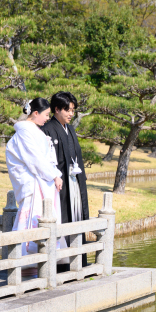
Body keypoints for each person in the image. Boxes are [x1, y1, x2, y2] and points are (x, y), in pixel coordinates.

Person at [5, 98, 63, 256]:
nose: (47, 118)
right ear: (35, 113)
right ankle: (25, 258)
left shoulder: (34, 131)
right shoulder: (25, 132)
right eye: (46, 114)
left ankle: (39, 257)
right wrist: (54, 175)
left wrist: (54, 174)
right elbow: (35, 159)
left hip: (40, 180)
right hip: (33, 183)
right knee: (31, 217)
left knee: (42, 216)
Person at [40, 91, 90, 264]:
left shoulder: (70, 129)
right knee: (63, 218)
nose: (71, 114)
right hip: (59, 185)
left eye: (73, 110)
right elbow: (45, 160)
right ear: (56, 109)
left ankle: (79, 260)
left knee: (77, 215)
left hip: (74, 181)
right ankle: (63, 263)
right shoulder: (47, 130)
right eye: (67, 110)